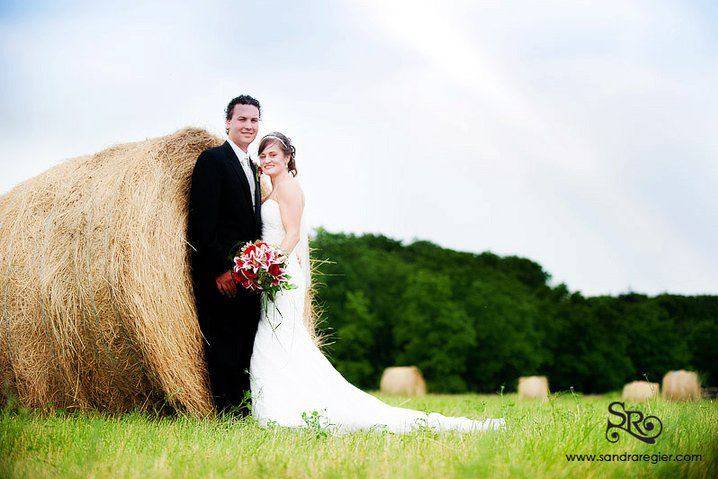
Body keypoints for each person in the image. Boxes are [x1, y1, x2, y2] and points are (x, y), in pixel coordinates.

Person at [249, 132, 507, 434]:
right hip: (271, 274)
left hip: (280, 272)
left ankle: (285, 407)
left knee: (278, 338)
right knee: (275, 339)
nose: (267, 160)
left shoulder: (290, 188)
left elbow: (292, 235)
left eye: (273, 155)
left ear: (287, 158)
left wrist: (268, 264)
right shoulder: (271, 190)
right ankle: (282, 402)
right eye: (263, 155)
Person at [187, 95, 263, 416]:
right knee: (223, 343)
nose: (248, 125)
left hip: (250, 274)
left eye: (254, 120)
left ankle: (241, 411)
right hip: (222, 273)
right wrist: (221, 269)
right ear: (228, 122)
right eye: (242, 119)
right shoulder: (213, 160)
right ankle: (224, 413)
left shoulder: (253, 166)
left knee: (245, 342)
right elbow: (203, 224)